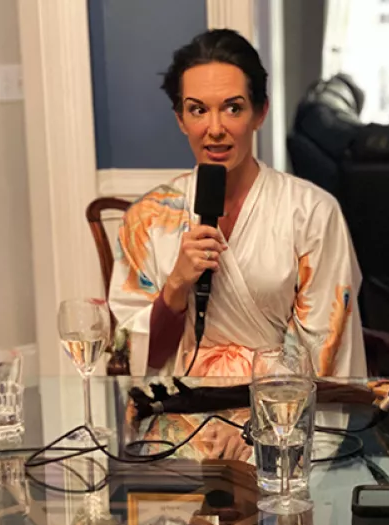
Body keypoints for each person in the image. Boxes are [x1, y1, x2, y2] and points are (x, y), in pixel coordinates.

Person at [108, 29, 365, 380]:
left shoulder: (313, 214)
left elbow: (327, 348)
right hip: (177, 417)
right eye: (198, 110)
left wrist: (251, 411)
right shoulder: (147, 219)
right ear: (181, 120)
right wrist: (176, 287)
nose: (214, 129)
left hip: (280, 416)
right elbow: (134, 359)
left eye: (233, 108)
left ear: (260, 113)